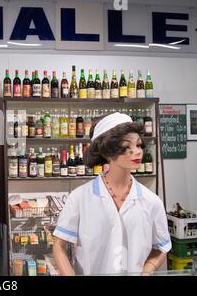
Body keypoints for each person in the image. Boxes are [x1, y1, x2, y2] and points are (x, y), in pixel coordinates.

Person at [52, 112, 171, 275]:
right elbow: (59, 246)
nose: (137, 152)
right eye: (126, 147)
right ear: (107, 152)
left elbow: (162, 247)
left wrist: (147, 271)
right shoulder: (80, 198)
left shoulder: (151, 201)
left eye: (139, 145)